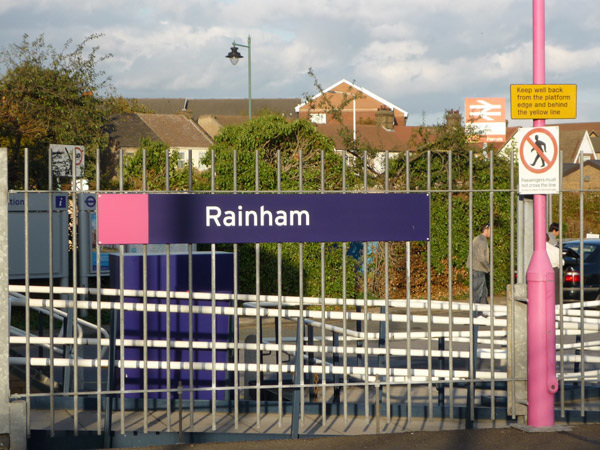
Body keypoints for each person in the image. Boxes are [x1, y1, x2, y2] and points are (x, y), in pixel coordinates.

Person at [470, 223, 491, 318]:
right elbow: (482, 258)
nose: (491, 233)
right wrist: (488, 268)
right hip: (479, 269)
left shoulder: (476, 238)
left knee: (483, 291)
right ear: (486, 230)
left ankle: (483, 312)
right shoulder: (483, 241)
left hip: (474, 268)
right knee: (478, 292)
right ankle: (476, 314)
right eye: (490, 230)